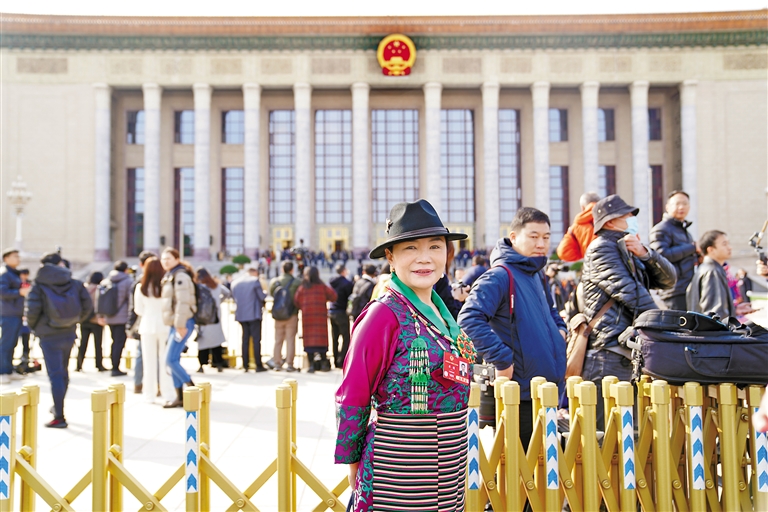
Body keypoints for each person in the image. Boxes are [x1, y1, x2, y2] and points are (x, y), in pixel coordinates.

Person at [335, 199, 476, 511]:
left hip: (450, 469)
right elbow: (353, 394)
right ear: (390, 257)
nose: (425, 258)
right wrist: (354, 466)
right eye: (411, 248)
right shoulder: (381, 316)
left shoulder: (442, 313)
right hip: (399, 472)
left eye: (435, 246)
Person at [458, 207, 568, 447]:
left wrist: (561, 331)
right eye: (534, 236)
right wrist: (502, 359)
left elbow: (552, 310)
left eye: (546, 237)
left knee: (546, 465)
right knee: (522, 466)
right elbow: (468, 318)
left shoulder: (536, 274)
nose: (541, 243)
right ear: (514, 237)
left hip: (547, 390)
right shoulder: (499, 276)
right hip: (520, 395)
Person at [580, 194, 677, 429]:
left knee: (628, 430)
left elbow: (669, 280)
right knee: (606, 432)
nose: (633, 219)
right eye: (628, 215)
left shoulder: (628, 247)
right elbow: (629, 292)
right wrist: (664, 325)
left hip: (626, 349)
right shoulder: (602, 248)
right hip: (607, 351)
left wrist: (646, 254)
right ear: (611, 221)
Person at [25, 252, 93, 428]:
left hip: (48, 335)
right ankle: (58, 406)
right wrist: (74, 321)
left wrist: (36, 327)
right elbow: (88, 306)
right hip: (69, 332)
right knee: (63, 372)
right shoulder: (75, 283)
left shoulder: (39, 284)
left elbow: (32, 311)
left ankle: (59, 416)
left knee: (55, 374)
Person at [687, 230, 755, 320]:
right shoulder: (712, 271)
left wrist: (733, 309)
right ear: (711, 250)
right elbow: (714, 314)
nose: (729, 248)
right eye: (724, 244)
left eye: (728, 243)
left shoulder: (707, 268)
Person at [159, 248, 197, 408]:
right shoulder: (170, 275)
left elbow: (183, 302)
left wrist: (180, 325)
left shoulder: (180, 276)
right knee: (174, 359)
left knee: (170, 359)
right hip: (174, 324)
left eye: (168, 258)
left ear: (176, 259)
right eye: (163, 258)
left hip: (181, 323)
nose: (165, 261)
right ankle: (180, 396)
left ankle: (192, 387)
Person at [133, 257, 173, 404]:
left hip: (147, 325)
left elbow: (138, 310)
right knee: (165, 361)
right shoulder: (166, 286)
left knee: (148, 362)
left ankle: (149, 395)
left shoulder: (141, 287)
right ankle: (168, 393)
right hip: (164, 325)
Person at [649, 190, 699, 311]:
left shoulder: (685, 231)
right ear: (667, 207)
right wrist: (692, 247)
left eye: (685, 203)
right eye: (677, 204)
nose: (681, 207)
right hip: (673, 290)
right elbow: (660, 256)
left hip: (686, 288)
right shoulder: (661, 229)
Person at [293, 267, 337, 373]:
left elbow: (296, 301)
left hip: (307, 318)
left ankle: (311, 365)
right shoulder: (322, 287)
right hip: (320, 318)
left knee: (309, 342)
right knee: (322, 341)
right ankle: (324, 364)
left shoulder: (302, 288)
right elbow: (334, 296)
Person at [127, 251, 156, 394]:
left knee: (141, 354)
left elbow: (134, 308)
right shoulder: (142, 283)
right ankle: (144, 384)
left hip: (143, 323)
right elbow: (135, 308)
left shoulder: (139, 283)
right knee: (150, 354)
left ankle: (138, 384)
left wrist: (129, 326)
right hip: (148, 323)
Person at [232, 263, 268, 372]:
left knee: (245, 340)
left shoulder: (235, 283)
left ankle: (245, 365)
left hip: (241, 314)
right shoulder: (254, 281)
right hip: (253, 313)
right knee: (256, 340)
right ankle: (258, 365)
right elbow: (261, 296)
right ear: (254, 272)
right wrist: (265, 292)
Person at [0, 248, 29, 384]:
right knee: (6, 343)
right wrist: (19, 292)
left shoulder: (14, 273)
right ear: (6, 258)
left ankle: (9, 370)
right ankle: (2, 372)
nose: (18, 258)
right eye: (15, 256)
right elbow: (2, 292)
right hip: (8, 313)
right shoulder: (5, 273)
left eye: (18, 256)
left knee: (12, 343)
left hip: (16, 313)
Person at [195, 267, 230, 373]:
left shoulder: (198, 288)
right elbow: (227, 292)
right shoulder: (216, 286)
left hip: (202, 319)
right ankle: (218, 364)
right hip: (215, 318)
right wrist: (219, 302)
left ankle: (201, 365)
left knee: (202, 344)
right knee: (216, 343)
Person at [267, 261, 301, 372]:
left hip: (278, 314)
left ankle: (277, 363)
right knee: (290, 340)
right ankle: (290, 364)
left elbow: (272, 294)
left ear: (282, 269)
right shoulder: (297, 282)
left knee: (278, 340)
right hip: (292, 313)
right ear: (292, 270)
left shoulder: (275, 281)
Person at [102, 261, 133, 376]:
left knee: (114, 341)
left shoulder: (106, 281)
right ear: (125, 270)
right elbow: (131, 300)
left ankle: (113, 365)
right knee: (119, 343)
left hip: (109, 316)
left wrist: (101, 315)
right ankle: (115, 367)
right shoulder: (128, 281)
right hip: (122, 317)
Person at [556, 191, 600, 262]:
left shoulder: (577, 226)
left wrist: (581, 256)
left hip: (592, 264)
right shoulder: (611, 218)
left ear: (582, 208)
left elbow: (563, 252)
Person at [76, 271, 107, 372]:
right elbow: (100, 304)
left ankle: (79, 365)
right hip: (96, 320)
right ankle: (99, 365)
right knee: (98, 344)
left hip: (84, 319)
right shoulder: (100, 289)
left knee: (83, 343)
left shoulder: (84, 288)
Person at [328, 263, 354, 369]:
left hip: (332, 311)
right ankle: (341, 360)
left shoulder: (331, 282)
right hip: (341, 311)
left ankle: (335, 360)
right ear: (344, 271)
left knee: (334, 337)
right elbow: (351, 296)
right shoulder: (346, 283)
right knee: (345, 337)